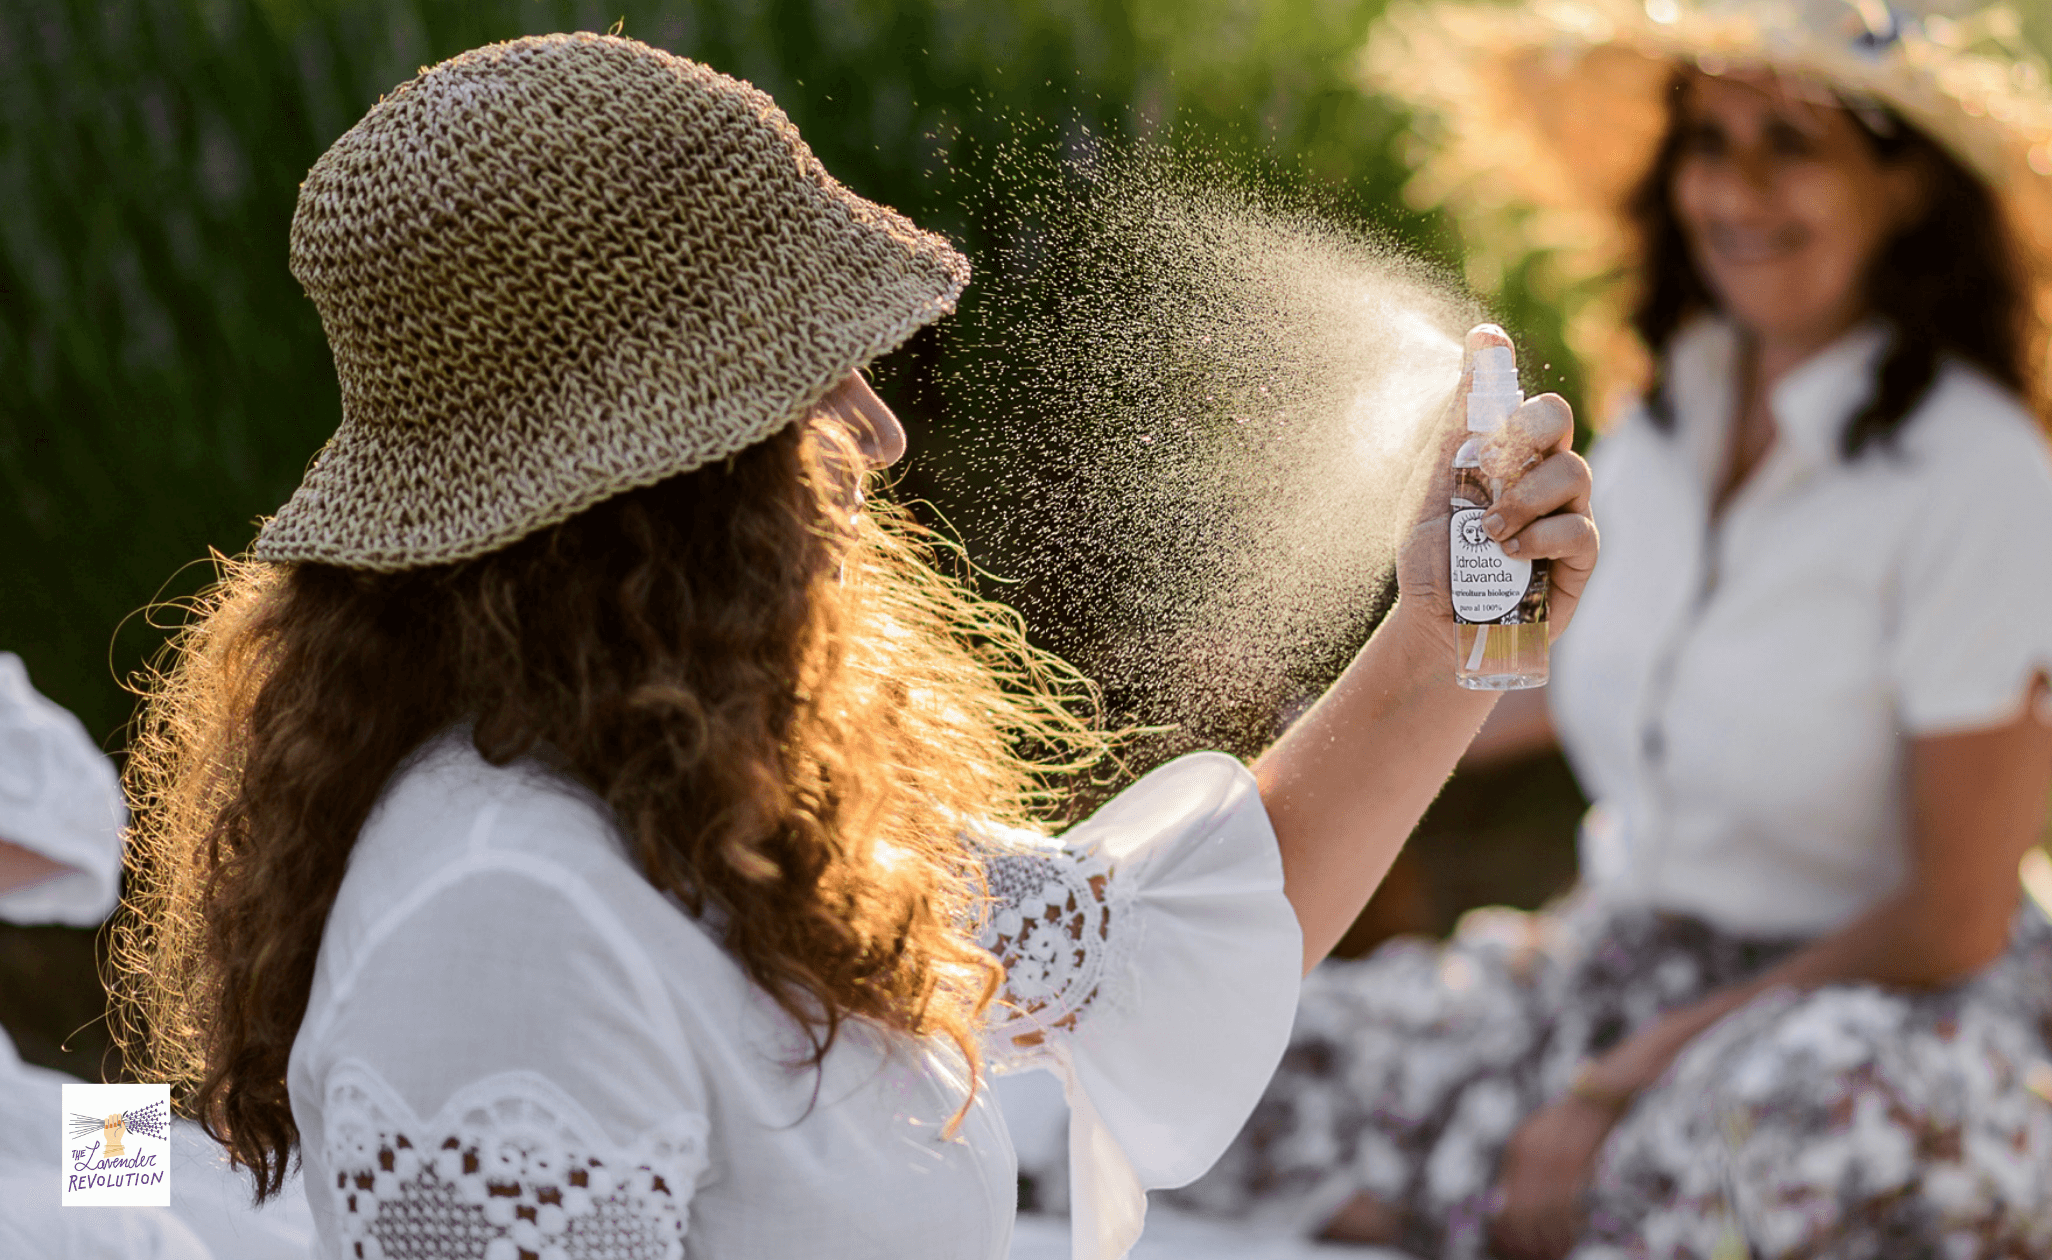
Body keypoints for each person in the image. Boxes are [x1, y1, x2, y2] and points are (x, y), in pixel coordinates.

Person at [107, 33, 1599, 1260]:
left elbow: (1155, 946)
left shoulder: (674, 798)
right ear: (647, 486)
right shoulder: (507, 919)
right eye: (809, 385)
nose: (877, 437)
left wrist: (1447, 633)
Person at [1173, 1, 2052, 1256]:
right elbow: (1596, 673)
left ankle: (1472, 1183)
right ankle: (1485, 1187)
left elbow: (1952, 917)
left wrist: (1617, 1083)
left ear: (1906, 190)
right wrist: (1312, 727)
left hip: (1868, 1005)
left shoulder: (1979, 477)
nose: (1734, 188)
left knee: (1793, 1125)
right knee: (1218, 1053)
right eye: (1707, 142)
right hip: (1622, 964)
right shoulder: (1676, 413)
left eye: (1791, 143)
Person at [0, 651, 313, 1259]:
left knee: (240, 1180)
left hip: (30, 1121)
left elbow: (80, 821)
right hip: (26, 1165)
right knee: (108, 1236)